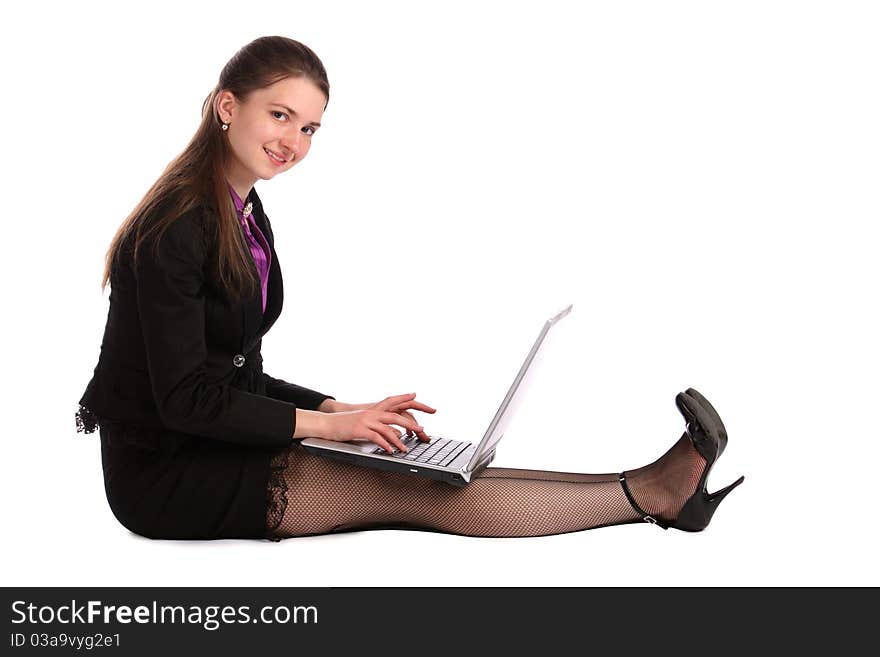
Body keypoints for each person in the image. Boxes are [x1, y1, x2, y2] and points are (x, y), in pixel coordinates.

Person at [75, 35, 744, 542]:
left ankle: (656, 489)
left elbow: (236, 371)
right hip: (164, 475)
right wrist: (331, 426)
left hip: (212, 439)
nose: (294, 141)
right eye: (279, 116)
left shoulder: (241, 210)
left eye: (309, 127)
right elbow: (189, 398)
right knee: (416, 492)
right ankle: (655, 493)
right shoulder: (176, 228)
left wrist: (343, 408)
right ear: (229, 106)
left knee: (433, 470)